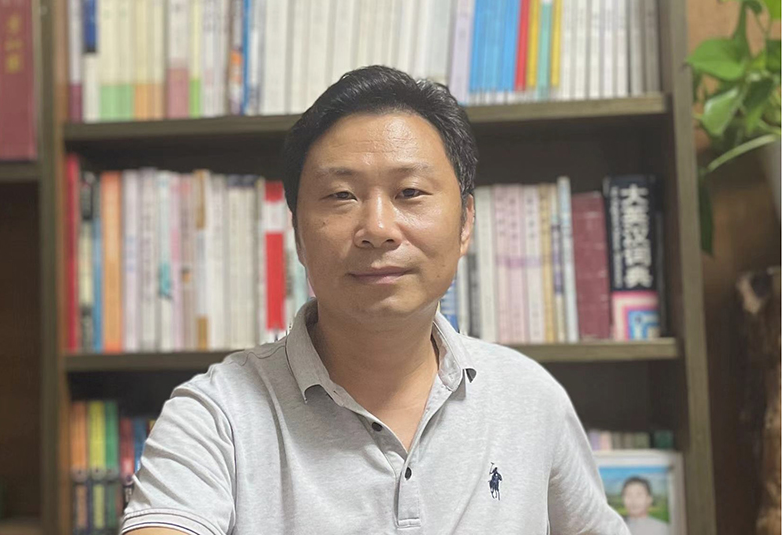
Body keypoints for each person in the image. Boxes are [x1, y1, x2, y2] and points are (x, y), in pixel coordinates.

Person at [120, 65, 629, 535]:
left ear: (465, 223)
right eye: (341, 195)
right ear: (298, 234)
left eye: (410, 192)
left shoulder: (529, 398)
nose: (378, 228)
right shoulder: (217, 416)